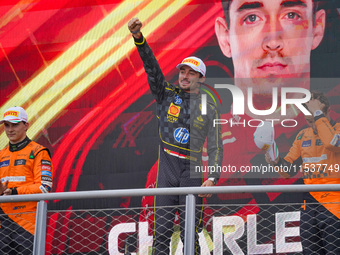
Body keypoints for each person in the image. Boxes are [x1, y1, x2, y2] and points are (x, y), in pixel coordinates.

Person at [128, 18, 223, 254]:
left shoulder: (209, 104)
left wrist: (212, 177)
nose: (185, 76)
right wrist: (139, 39)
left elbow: (216, 146)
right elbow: (152, 68)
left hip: (191, 172)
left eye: (191, 73)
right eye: (182, 71)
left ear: (201, 79)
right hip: (167, 170)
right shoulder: (166, 94)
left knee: (192, 234)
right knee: (161, 234)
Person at [265, 91, 340, 254]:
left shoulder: (337, 129)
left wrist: (318, 115)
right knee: (309, 252)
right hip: (309, 204)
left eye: (315, 120)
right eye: (308, 121)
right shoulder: (302, 135)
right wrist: (276, 162)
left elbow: (331, 143)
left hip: (335, 204)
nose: (313, 126)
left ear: (327, 112)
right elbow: (288, 172)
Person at [0, 106, 53, 255]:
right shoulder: (0, 154)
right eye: (7, 125)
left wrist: (14, 192)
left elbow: (44, 187)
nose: (10, 130)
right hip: (2, 222)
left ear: (26, 126)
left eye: (15, 125)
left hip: (28, 224)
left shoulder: (38, 152)